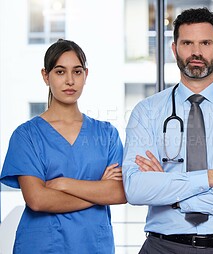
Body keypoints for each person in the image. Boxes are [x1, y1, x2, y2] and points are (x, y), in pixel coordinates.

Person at [122, 7, 213, 254]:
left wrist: (175, 196)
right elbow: (137, 189)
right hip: (163, 246)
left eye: (205, 43)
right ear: (174, 49)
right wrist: (212, 177)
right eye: (187, 43)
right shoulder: (146, 112)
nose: (196, 52)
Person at [0, 39, 126, 254]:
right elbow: (37, 200)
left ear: (86, 75)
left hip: (93, 246)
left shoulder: (106, 134)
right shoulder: (26, 136)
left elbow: (119, 193)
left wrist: (62, 183)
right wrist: (97, 192)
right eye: (60, 72)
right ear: (45, 76)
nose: (70, 80)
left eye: (77, 72)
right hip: (42, 246)